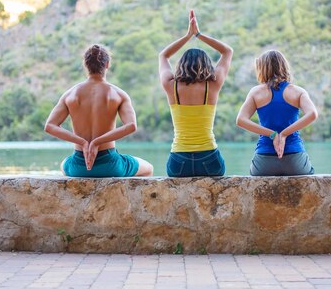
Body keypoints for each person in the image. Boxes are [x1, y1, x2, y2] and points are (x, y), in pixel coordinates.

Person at [44, 44, 153, 177]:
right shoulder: (118, 94)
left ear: (85, 65)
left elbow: (49, 126)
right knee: (148, 168)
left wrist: (82, 143)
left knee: (64, 164)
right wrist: (98, 142)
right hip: (110, 165)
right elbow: (131, 126)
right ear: (107, 64)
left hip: (79, 166)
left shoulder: (70, 94)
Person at [158, 10, 233, 177]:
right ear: (207, 65)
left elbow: (163, 55)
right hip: (209, 159)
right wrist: (198, 34)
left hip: (179, 161)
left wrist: (187, 35)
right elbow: (227, 51)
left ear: (181, 64)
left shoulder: (171, 86)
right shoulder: (212, 85)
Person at [236, 50, 318, 176]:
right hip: (295, 162)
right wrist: (284, 134)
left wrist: (272, 134)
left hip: (264, 162)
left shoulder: (256, 92)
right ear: (284, 67)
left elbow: (241, 120)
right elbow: (312, 114)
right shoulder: (298, 91)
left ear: (262, 69)